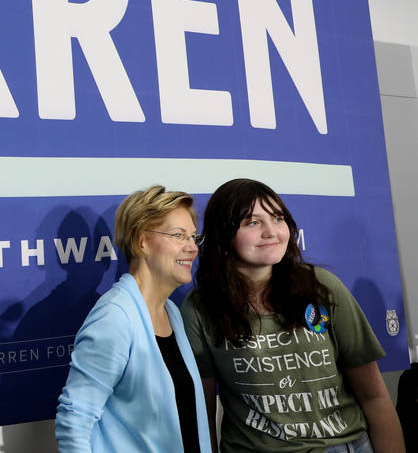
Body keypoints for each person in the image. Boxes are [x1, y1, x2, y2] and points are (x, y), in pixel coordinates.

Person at [182, 178, 405, 452]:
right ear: (224, 236)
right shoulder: (200, 308)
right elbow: (200, 418)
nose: (271, 232)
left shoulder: (321, 288)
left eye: (277, 218)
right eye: (252, 222)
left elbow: (373, 396)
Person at [55, 185, 212, 452]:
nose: (192, 248)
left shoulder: (171, 312)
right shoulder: (114, 317)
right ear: (142, 242)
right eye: (178, 236)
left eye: (193, 238)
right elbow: (74, 421)